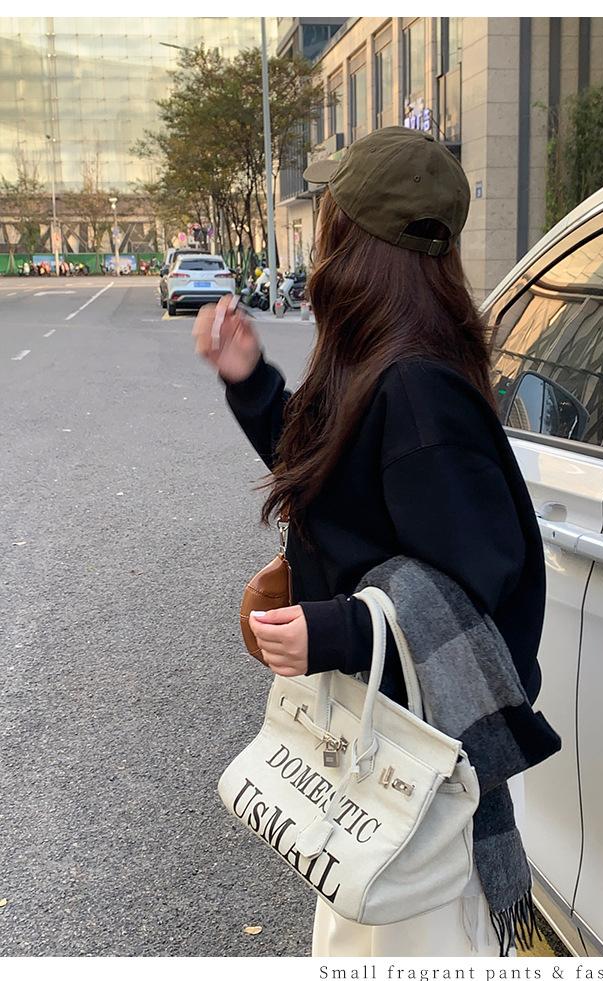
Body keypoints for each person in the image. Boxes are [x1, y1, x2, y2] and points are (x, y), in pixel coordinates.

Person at [193, 127, 546, 956]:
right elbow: (344, 487)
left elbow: (471, 600)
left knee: (401, 942)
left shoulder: (416, 389)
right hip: (391, 740)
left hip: (426, 760)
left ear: (351, 238)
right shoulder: (383, 359)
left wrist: (343, 629)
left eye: (331, 215)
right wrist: (254, 384)